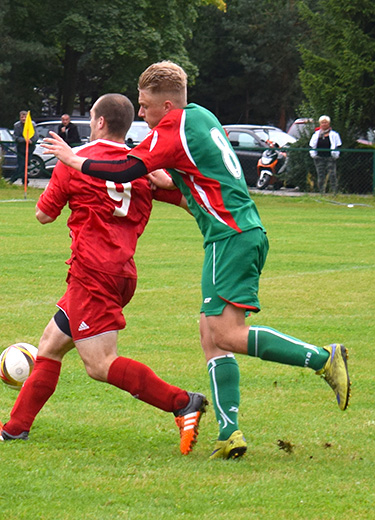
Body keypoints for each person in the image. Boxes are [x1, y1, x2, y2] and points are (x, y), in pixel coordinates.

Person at [42, 61, 350, 460]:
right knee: (210, 335)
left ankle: (324, 359)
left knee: (226, 334)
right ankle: (230, 433)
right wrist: (169, 183)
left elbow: (126, 168)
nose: (141, 113)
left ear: (166, 104)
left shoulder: (170, 128)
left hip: (230, 237)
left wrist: (74, 159)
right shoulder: (201, 117)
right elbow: (195, 179)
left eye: (145, 105)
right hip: (236, 233)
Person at [0, 93, 208, 456]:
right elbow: (182, 198)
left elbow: (43, 214)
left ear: (98, 122)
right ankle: (15, 429)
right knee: (50, 346)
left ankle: (182, 402)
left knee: (100, 365)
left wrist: (67, 175)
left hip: (93, 273)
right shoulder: (140, 165)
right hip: (121, 273)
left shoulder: (76, 161)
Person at [309, 115, 342, 194]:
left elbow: (338, 145)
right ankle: (321, 192)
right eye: (322, 123)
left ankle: (334, 192)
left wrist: (335, 155)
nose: (324, 124)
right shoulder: (316, 135)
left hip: (330, 157)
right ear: (320, 124)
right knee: (320, 175)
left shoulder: (334, 135)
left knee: (332, 175)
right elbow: (311, 145)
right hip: (319, 157)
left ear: (329, 123)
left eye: (326, 122)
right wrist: (313, 155)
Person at [12, 110, 36, 183]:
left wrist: (31, 141)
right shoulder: (17, 125)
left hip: (30, 148)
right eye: (22, 117)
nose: (23, 119)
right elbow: (15, 137)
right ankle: (15, 179)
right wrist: (24, 140)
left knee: (26, 165)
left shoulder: (32, 124)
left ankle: (24, 180)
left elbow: (35, 136)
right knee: (21, 165)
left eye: (25, 117)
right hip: (21, 148)